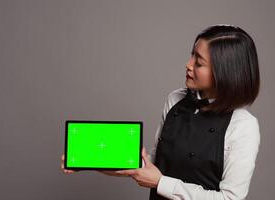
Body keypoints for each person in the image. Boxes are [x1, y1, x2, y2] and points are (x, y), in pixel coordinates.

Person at [61, 24, 261, 200]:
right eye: (192, 54)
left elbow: (229, 198)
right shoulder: (175, 100)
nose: (188, 64)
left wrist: (161, 183)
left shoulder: (243, 126)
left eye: (198, 62)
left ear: (225, 73)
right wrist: (89, 158)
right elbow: (150, 167)